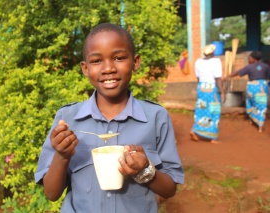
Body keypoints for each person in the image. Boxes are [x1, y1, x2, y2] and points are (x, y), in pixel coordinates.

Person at [34, 23, 184, 212]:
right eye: (96, 61)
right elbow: (51, 193)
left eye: (119, 58)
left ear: (135, 62)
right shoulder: (67, 118)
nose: (108, 68)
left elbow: (169, 189)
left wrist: (145, 169)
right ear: (85, 68)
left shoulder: (155, 117)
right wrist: (62, 156)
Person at [225, 51, 270, 133]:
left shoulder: (249, 67)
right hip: (263, 87)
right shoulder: (266, 66)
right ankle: (260, 125)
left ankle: (251, 120)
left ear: (253, 59)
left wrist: (227, 76)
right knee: (262, 105)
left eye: (249, 58)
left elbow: (237, 72)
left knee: (251, 103)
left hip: (252, 88)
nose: (248, 59)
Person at [190, 44, 226, 144]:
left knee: (200, 110)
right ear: (213, 52)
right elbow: (218, 78)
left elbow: (198, 78)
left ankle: (194, 130)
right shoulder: (216, 61)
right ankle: (212, 137)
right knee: (214, 110)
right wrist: (222, 92)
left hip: (201, 88)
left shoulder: (198, 62)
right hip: (211, 88)